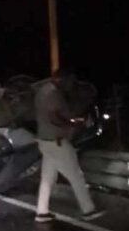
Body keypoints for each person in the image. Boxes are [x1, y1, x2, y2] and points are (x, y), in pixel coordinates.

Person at [34, 70, 104, 222]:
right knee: (76, 176)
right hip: (57, 142)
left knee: (47, 178)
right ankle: (88, 210)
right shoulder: (53, 93)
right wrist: (72, 123)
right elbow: (54, 117)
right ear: (61, 79)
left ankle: (42, 212)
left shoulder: (43, 90)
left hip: (45, 141)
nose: (70, 85)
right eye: (69, 81)